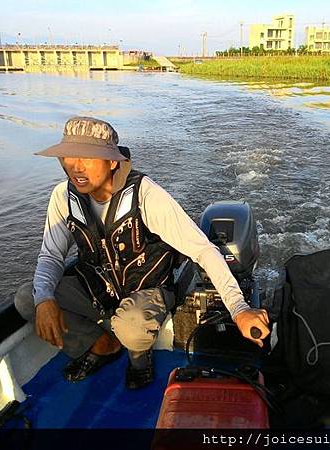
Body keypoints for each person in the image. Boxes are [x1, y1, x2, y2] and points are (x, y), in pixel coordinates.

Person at [14, 116, 270, 389]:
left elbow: (203, 250)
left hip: (147, 291)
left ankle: (139, 359)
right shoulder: (63, 197)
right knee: (27, 299)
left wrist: (239, 308)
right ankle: (102, 344)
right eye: (68, 156)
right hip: (98, 289)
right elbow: (51, 256)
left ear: (112, 161)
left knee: (131, 326)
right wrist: (44, 299)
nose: (75, 167)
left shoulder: (146, 195)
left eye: (87, 157)